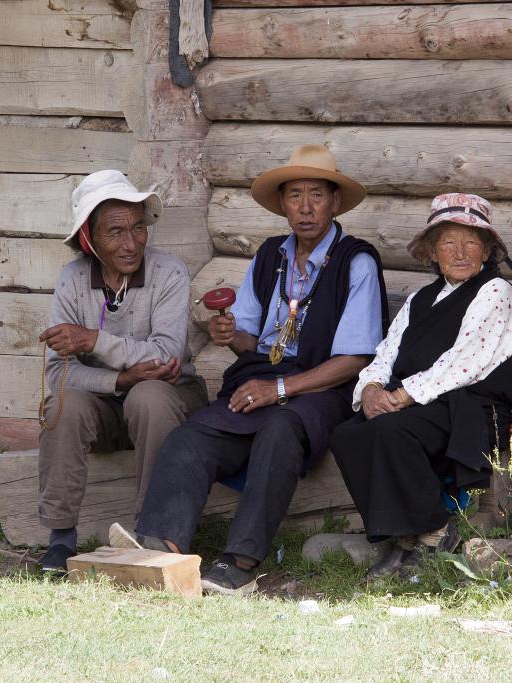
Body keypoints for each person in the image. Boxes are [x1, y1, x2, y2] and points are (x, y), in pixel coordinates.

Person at [130, 145, 388, 595]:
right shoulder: (272, 256)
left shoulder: (356, 262)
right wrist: (232, 335)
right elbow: (254, 344)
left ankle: (240, 560)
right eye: (294, 196)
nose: (305, 208)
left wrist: (282, 389)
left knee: (280, 431)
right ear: (282, 204)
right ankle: (162, 550)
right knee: (191, 437)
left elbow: (355, 359)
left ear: (335, 202)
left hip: (321, 391)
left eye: (316, 195)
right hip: (264, 382)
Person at [329, 193, 512, 578]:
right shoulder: (419, 299)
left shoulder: (495, 292)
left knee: (391, 430)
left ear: (487, 250)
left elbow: (463, 363)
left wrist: (401, 396)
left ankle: (435, 529)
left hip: (472, 407)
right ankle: (407, 534)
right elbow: (387, 353)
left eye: (471, 241)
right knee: (347, 435)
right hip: (424, 404)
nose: (459, 252)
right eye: (447, 242)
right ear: (431, 251)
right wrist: (371, 389)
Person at [36, 170, 207, 572]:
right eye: (115, 232)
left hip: (172, 399)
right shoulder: (72, 280)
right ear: (88, 239)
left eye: (137, 228)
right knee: (65, 406)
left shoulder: (168, 272)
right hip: (107, 406)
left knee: (149, 396)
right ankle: (61, 539)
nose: (131, 243)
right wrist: (119, 379)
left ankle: (154, 533)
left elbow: (165, 356)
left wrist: (94, 341)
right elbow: (58, 374)